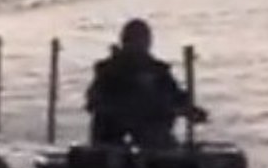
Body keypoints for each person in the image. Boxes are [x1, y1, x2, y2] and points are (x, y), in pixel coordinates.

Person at [85, 18, 207, 147]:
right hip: (112, 138)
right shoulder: (109, 71)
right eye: (134, 40)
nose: (138, 45)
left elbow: (175, 96)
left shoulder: (157, 71)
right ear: (125, 42)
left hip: (151, 137)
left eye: (142, 40)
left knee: (161, 142)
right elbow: (94, 100)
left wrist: (189, 109)